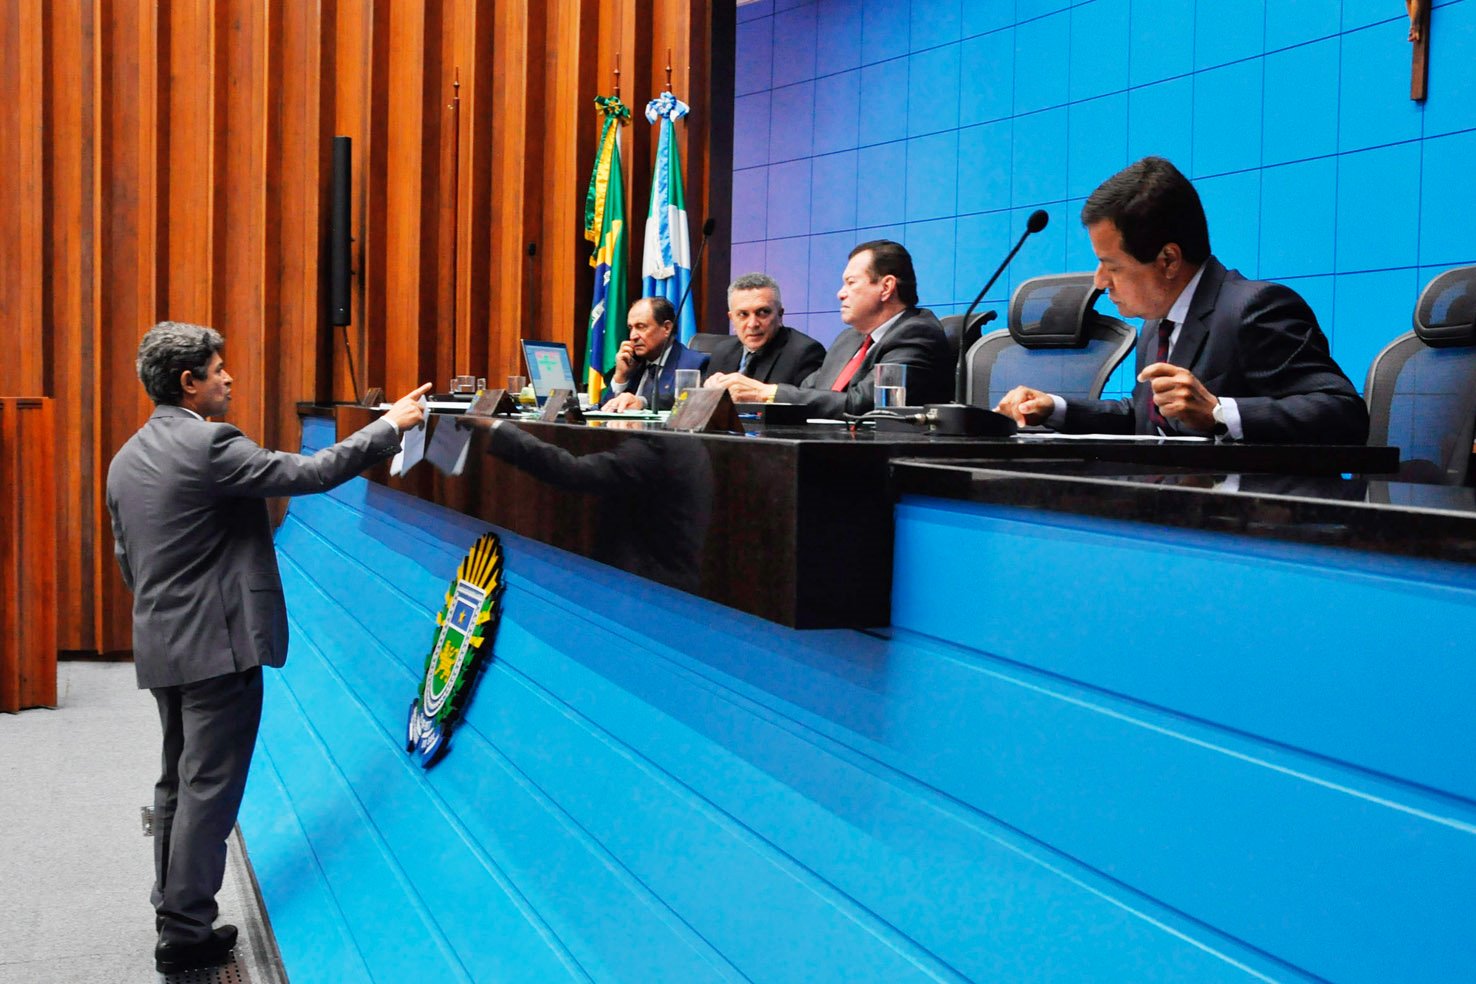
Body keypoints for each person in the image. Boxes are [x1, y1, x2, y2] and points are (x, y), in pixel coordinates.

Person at [105, 321, 430, 975]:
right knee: (209, 789)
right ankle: (186, 930)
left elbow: (126, 558)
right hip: (218, 647)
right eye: (217, 369)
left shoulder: (127, 457)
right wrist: (389, 426)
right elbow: (309, 472)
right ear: (188, 382)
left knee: (177, 782)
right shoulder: (209, 444)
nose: (229, 377)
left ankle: (174, 910)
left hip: (163, 641)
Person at [995, 156, 1369, 444]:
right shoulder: (1157, 323)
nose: (1099, 281)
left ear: (1168, 260)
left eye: (1112, 266)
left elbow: (1344, 413)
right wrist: (1054, 409)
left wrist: (1218, 412)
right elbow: (1146, 419)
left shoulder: (1254, 309)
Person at [708, 240, 952, 417]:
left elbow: (865, 405)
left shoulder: (917, 333)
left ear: (886, 287)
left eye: (851, 283)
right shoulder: (849, 338)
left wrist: (765, 393)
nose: (840, 293)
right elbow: (808, 391)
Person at [702, 272, 825, 386]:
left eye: (762, 312)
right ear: (732, 318)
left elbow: (805, 401)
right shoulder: (722, 351)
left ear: (780, 314)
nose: (752, 324)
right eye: (743, 314)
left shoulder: (805, 353)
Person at [601, 296, 710, 412]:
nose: (633, 336)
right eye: (630, 328)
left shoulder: (694, 364)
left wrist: (642, 402)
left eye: (641, 327)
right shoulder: (634, 365)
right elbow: (604, 411)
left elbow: (683, 402)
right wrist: (621, 376)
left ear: (667, 328)